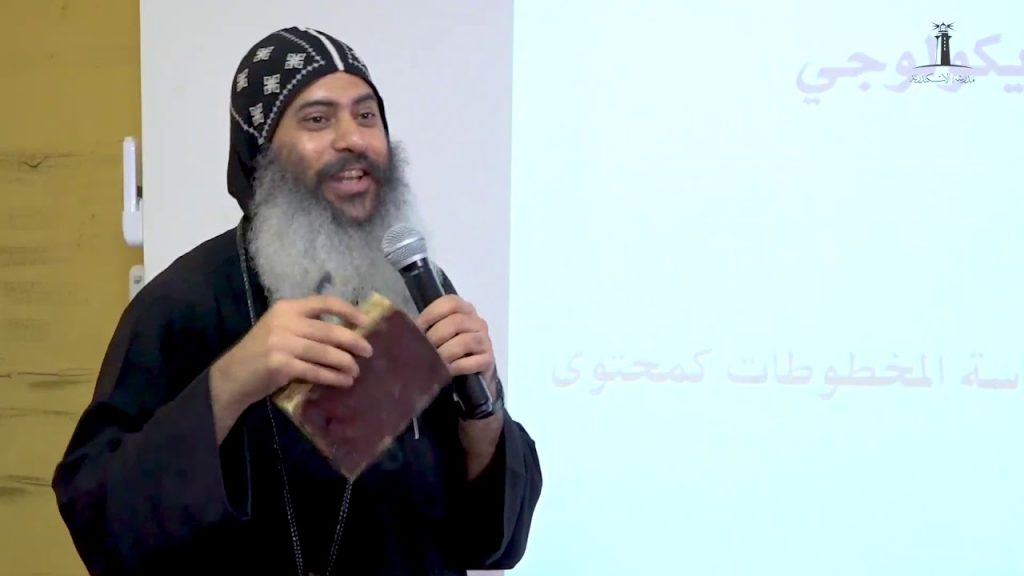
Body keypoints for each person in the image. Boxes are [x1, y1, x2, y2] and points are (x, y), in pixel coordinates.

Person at [51, 26, 542, 576]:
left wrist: (483, 409)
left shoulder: (416, 287)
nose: (352, 139)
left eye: (366, 115)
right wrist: (231, 381)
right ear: (262, 153)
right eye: (317, 119)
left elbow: (490, 541)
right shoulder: (186, 301)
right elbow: (100, 518)